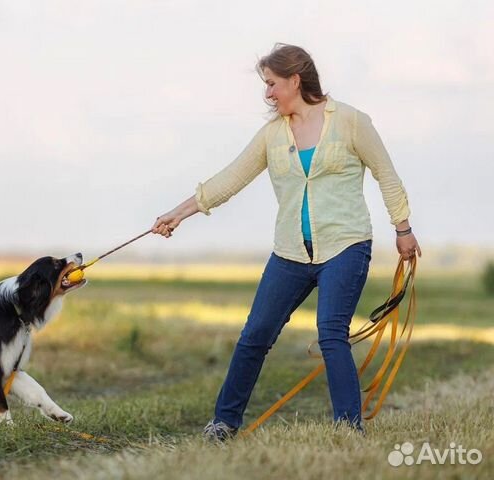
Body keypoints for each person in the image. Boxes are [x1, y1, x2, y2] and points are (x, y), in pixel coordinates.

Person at [151, 43, 421, 441]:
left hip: (345, 245)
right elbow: (230, 179)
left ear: (295, 80)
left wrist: (403, 229)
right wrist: (179, 213)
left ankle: (348, 430)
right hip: (290, 252)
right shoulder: (272, 135)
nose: (267, 93)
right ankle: (223, 423)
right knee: (255, 335)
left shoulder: (351, 122)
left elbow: (387, 174)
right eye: (266, 85)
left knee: (331, 332)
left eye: (272, 84)